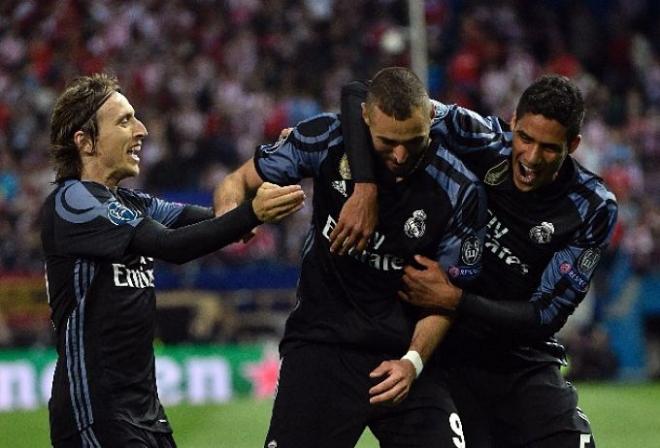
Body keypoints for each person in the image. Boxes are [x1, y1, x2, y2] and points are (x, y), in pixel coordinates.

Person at [340, 73, 618, 447]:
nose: (532, 158)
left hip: (519, 358)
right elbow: (359, 92)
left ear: (574, 144)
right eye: (525, 138)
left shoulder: (591, 206)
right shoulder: (478, 137)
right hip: (441, 348)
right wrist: (365, 186)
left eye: (550, 148)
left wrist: (456, 300)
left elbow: (545, 315)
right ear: (512, 123)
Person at [214, 67, 487, 448]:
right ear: (364, 119)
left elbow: (446, 297)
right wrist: (231, 216)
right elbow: (237, 181)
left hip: (405, 356)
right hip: (322, 346)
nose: (401, 154)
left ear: (431, 119)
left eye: (414, 140)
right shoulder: (326, 139)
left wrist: (413, 362)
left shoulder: (459, 189)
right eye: (388, 141)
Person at [41, 73, 305, 448]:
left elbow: (217, 221)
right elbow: (171, 245)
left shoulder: (131, 203)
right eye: (124, 120)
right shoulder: (72, 202)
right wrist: (249, 216)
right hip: (96, 415)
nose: (142, 130)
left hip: (145, 414)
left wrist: (283, 161)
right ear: (85, 142)